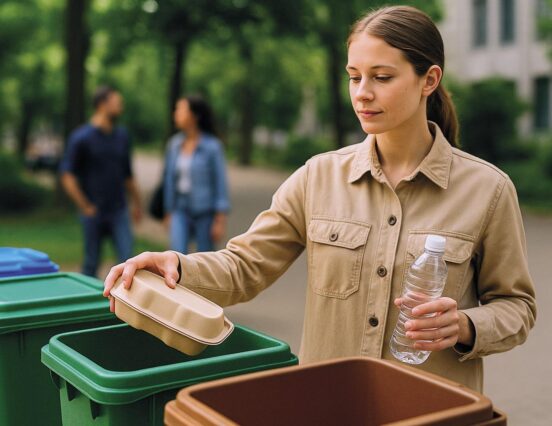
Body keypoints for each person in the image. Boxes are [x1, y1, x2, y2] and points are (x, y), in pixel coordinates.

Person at [104, 6, 536, 391]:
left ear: (429, 80)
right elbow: (244, 267)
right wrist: (177, 265)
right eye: (354, 77)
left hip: (432, 411)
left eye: (382, 77)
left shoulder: (488, 190)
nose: (362, 92)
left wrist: (464, 325)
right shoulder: (318, 177)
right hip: (329, 405)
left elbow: (517, 308)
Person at [61, 85, 142, 277]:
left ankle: (123, 306)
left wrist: (137, 204)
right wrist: (84, 206)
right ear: (101, 105)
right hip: (93, 212)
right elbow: (67, 176)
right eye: (116, 102)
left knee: (128, 262)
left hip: (119, 210)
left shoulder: (122, 136)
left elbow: (128, 175)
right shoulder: (81, 138)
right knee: (90, 264)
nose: (120, 107)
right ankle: (88, 306)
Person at [161, 95, 230, 254]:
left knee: (205, 259)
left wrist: (220, 220)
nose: (176, 113)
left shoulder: (213, 147)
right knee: (177, 256)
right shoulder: (174, 144)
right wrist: (168, 211)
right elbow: (169, 181)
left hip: (204, 211)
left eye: (180, 109)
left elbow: (220, 183)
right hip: (180, 209)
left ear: (194, 116)